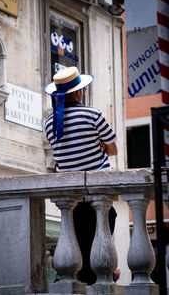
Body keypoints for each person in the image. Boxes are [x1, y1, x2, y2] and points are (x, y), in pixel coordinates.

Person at [44, 66, 118, 284]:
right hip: (96, 191)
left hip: (72, 196)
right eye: (81, 89)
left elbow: (62, 153)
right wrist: (100, 147)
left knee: (80, 239)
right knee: (104, 225)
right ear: (77, 93)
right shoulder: (93, 114)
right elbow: (113, 149)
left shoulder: (50, 124)